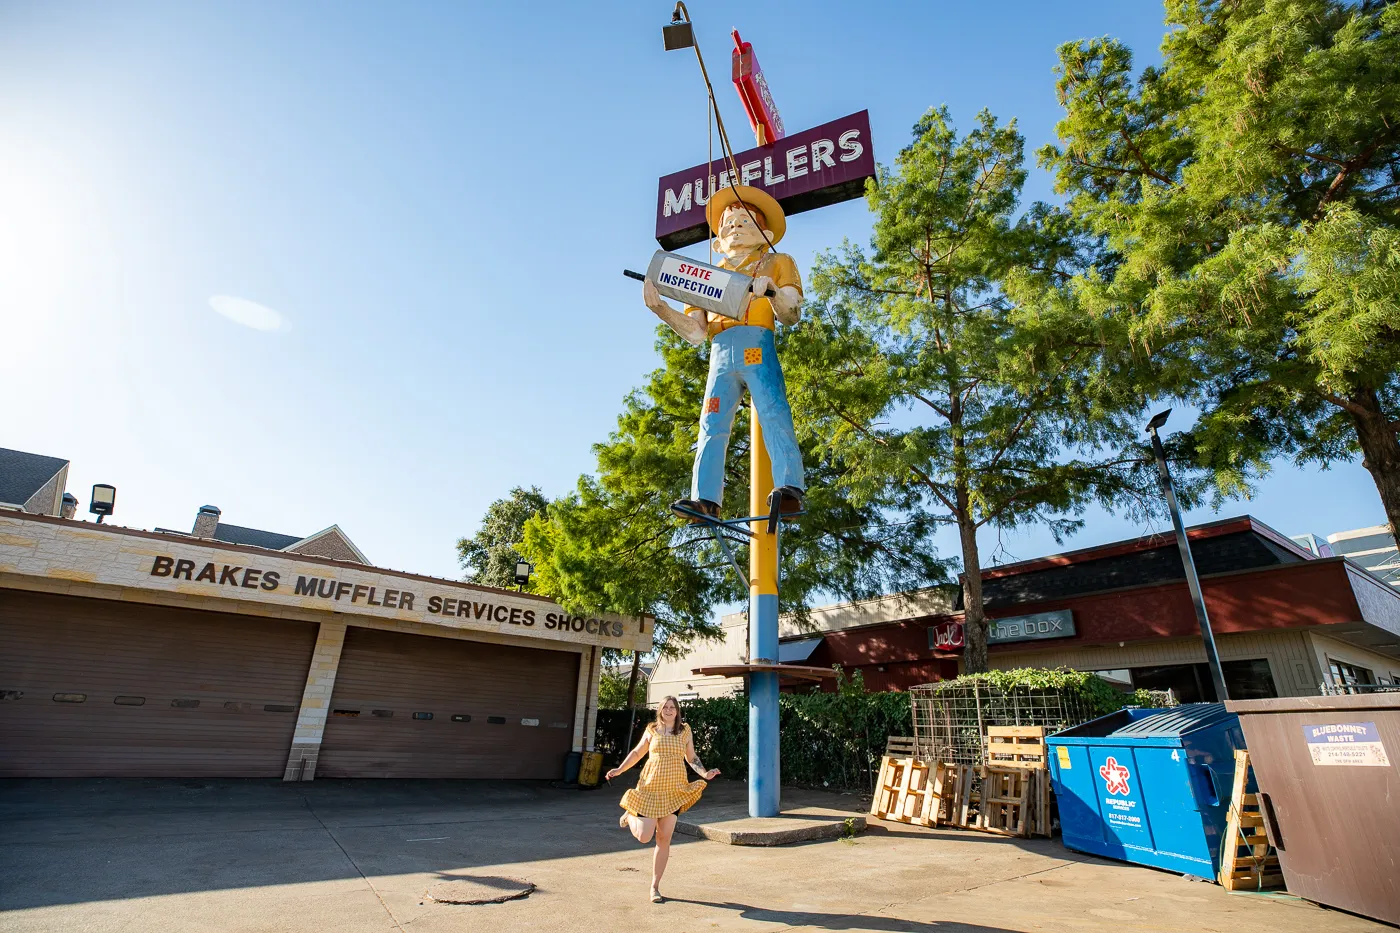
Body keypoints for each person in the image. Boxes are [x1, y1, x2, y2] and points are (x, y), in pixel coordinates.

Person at [641, 184, 805, 523]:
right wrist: (663, 311)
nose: (735, 227)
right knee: (711, 421)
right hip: (720, 355)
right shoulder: (704, 277)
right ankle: (705, 499)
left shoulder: (777, 261)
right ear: (717, 240)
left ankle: (790, 486)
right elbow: (696, 332)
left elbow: (791, 313)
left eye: (745, 221)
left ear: (765, 232)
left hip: (757, 346)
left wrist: (772, 292)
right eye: (728, 224)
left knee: (773, 409)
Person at [605, 695, 720, 903]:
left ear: (677, 711)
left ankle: (655, 887)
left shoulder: (685, 730)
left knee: (664, 839)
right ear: (660, 710)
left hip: (674, 790)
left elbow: (691, 757)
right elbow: (638, 752)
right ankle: (631, 814)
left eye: (672, 707)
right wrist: (620, 769)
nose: (668, 710)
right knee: (644, 836)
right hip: (650, 788)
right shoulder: (652, 730)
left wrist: (704, 773)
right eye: (665, 707)